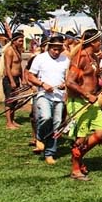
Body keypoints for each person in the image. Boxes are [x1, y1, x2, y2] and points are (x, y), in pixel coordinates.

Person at [65, 29, 102, 181]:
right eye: (99, 41)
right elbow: (69, 82)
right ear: (93, 42)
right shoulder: (80, 57)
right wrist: (86, 94)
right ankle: (75, 169)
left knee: (101, 132)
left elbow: (93, 77)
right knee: (80, 138)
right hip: (79, 102)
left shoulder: (94, 57)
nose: (100, 44)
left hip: (92, 101)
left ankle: (78, 157)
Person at [27, 36, 69, 165]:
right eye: (54, 49)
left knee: (56, 126)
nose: (56, 52)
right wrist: (42, 83)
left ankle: (50, 153)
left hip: (59, 96)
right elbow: (30, 76)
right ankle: (40, 137)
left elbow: (68, 78)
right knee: (45, 117)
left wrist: (64, 84)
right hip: (43, 95)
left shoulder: (66, 60)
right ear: (49, 47)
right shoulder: (40, 58)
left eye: (59, 49)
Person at [2, 32, 25, 129]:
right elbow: (7, 67)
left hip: (16, 79)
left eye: (22, 41)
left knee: (15, 101)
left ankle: (12, 120)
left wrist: (22, 79)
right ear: (14, 41)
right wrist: (11, 81)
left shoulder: (18, 50)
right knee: (9, 101)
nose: (22, 43)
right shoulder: (9, 51)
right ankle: (8, 123)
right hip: (9, 79)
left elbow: (19, 67)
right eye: (20, 41)